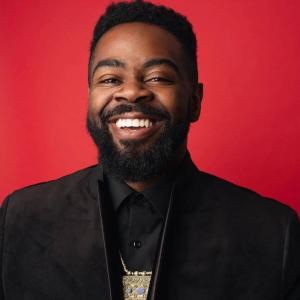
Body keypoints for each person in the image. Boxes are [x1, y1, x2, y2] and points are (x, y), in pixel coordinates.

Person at [1, 1, 299, 299]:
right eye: (109, 79)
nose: (131, 91)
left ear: (195, 101)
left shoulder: (273, 233)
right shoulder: (19, 220)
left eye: (157, 77)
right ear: (90, 96)